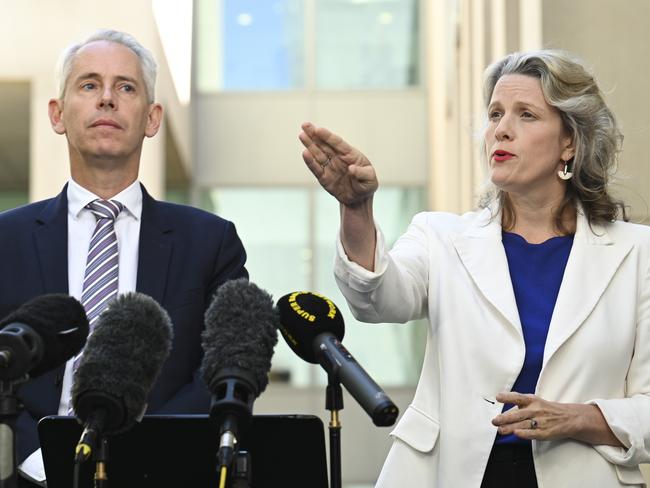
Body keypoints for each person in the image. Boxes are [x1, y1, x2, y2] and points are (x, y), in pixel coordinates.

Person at [299, 50, 650, 487]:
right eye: (495, 114)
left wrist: (578, 418)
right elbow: (377, 300)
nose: (501, 130)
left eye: (526, 115)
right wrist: (356, 208)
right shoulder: (439, 236)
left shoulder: (638, 254)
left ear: (570, 142)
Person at [0, 29, 247, 485]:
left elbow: (221, 371)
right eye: (89, 85)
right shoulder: (4, 238)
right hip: (27, 474)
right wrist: (44, 463)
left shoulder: (210, 242)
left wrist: (145, 461)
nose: (108, 99)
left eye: (126, 87)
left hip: (162, 471)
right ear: (58, 114)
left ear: (152, 118)